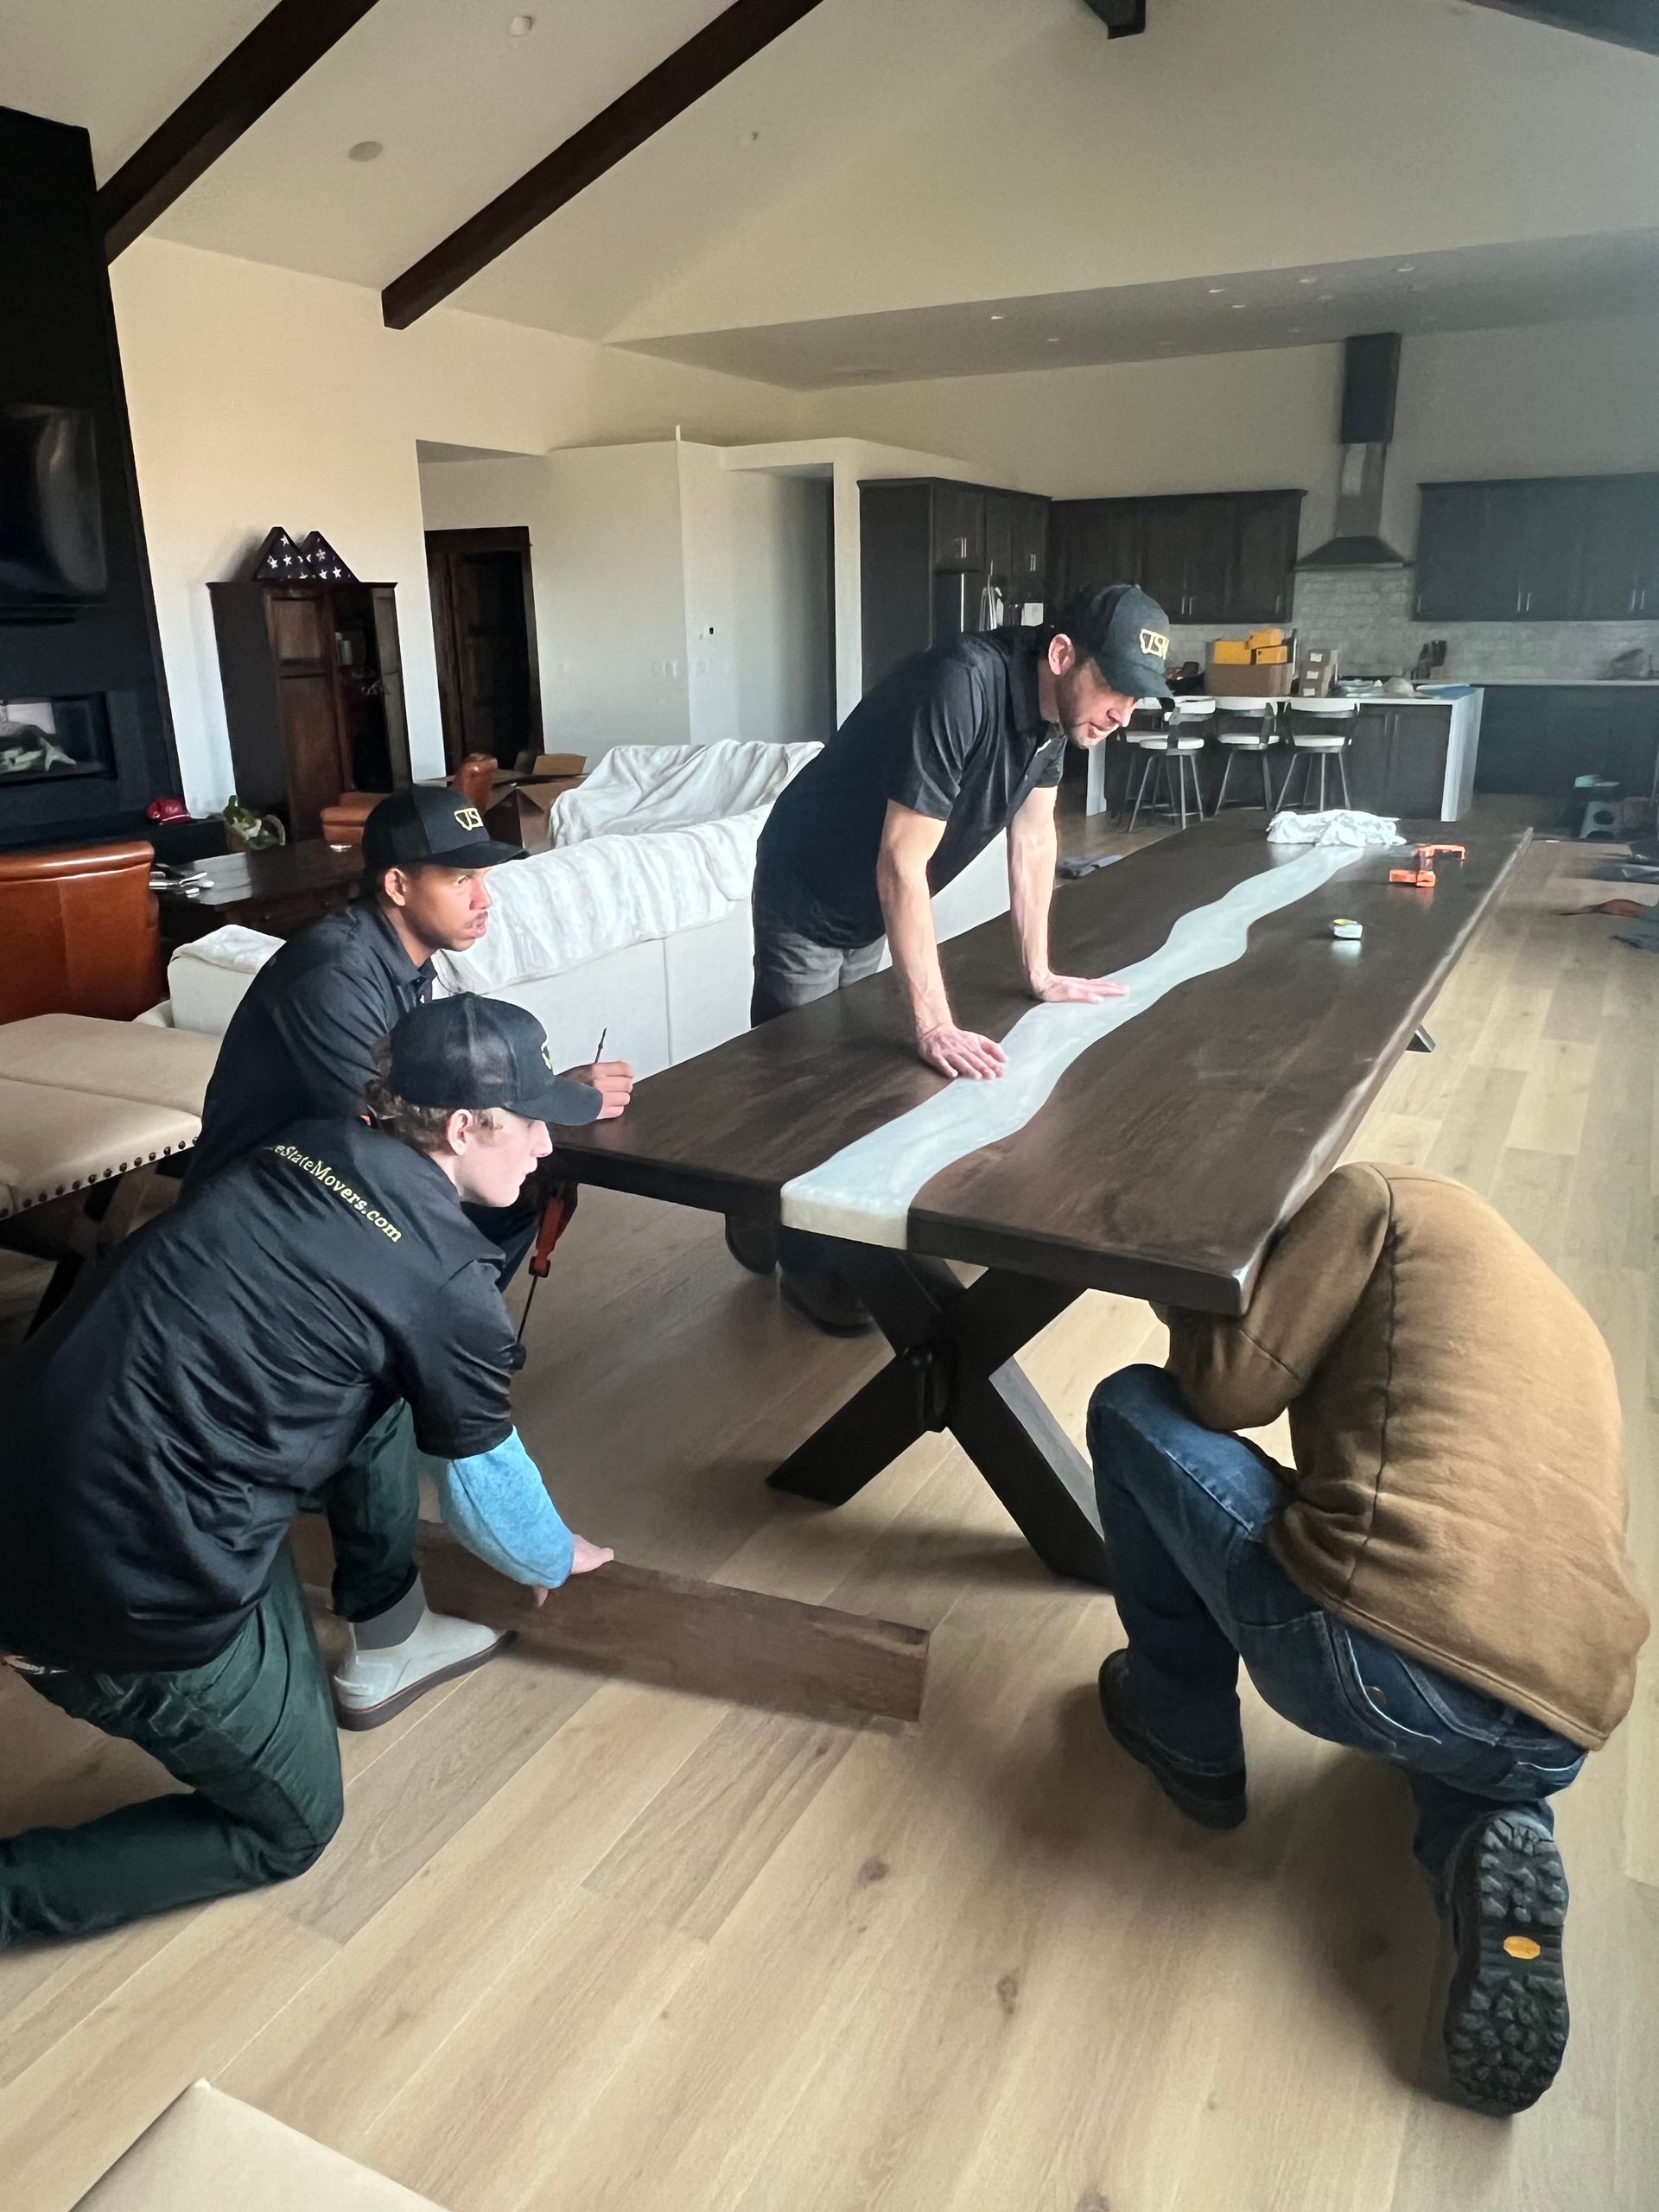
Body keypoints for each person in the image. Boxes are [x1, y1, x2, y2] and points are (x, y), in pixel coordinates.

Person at [0, 996, 612, 1944]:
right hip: (112, 1591)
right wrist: (552, 1555)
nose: (544, 1142)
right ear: (461, 1128)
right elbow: (492, 1506)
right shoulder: (448, 1289)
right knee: (293, 1824)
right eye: (529, 1119)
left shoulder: (308, 1145)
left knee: (375, 1392)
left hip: (33, 1464)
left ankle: (386, 1630)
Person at [1085, 1162, 1649, 2116]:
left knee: (1131, 1404)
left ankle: (1186, 1738)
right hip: (1565, 1716)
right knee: (1461, 1688)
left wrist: (1178, 1287)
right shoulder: (1521, 1285)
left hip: (1364, 1650)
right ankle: (1485, 1835)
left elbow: (1224, 1391)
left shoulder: (1370, 1197)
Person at [181, 784, 635, 1726]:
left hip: (320, 1207)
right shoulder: (335, 975)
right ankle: (384, 1632)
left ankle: (376, 1577)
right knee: (381, 1381)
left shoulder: (399, 960)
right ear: (396, 883)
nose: (485, 897)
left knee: (484, 1249)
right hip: (269, 1219)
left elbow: (437, 1106)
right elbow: (403, 1132)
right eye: (461, 878)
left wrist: (552, 1094)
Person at [735, 580, 1172, 1332]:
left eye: (1138, 701)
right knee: (803, 1083)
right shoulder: (964, 686)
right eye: (1116, 691)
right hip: (811, 881)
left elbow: (1035, 837)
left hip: (870, 894)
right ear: (1063, 655)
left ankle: (763, 1209)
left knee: (847, 1072)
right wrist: (934, 1023)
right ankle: (797, 1261)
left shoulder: (1050, 722)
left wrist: (1039, 974)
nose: (1123, 716)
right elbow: (901, 865)